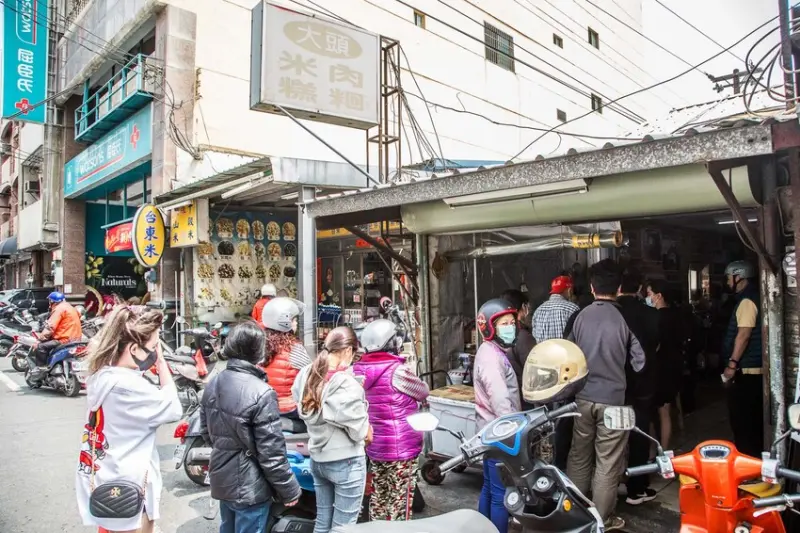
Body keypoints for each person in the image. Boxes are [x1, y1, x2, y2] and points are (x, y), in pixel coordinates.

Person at [75, 306, 183, 533]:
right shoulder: (128, 387)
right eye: (154, 347)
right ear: (133, 348)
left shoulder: (101, 375)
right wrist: (162, 365)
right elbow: (173, 408)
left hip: (107, 476)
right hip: (130, 485)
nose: (155, 353)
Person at [566, 259, 645, 530]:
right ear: (619, 287)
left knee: (579, 455)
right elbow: (640, 362)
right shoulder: (627, 317)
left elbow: (567, 356)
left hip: (583, 397)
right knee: (608, 462)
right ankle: (602, 520)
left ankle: (574, 511)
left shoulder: (579, 315)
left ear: (591, 286)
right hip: (616, 401)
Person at [200, 321, 301, 533]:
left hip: (223, 478)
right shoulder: (262, 392)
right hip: (250, 486)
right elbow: (271, 454)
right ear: (257, 351)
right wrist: (289, 490)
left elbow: (206, 433)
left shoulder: (213, 383)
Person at [292, 327, 371, 533]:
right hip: (346, 462)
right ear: (347, 351)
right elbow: (360, 431)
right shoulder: (345, 383)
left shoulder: (306, 374)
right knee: (343, 528)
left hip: (318, 459)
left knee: (322, 523)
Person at [353, 319, 430, 521]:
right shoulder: (398, 371)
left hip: (375, 446)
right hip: (401, 448)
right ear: (392, 342)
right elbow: (423, 391)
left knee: (379, 497)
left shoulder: (358, 370)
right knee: (399, 501)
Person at [473, 298, 521, 533]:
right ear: (489, 326)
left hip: (490, 432)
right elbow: (501, 401)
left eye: (512, 322)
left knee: (490, 488)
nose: (510, 327)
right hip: (500, 433)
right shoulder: (491, 356)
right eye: (504, 323)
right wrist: (515, 432)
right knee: (502, 495)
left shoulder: (491, 351)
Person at [617, 267, 660, 505]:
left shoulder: (612, 313)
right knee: (639, 434)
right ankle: (637, 487)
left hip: (613, 384)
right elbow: (654, 347)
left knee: (611, 437)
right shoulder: (650, 314)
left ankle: (612, 484)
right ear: (640, 290)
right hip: (642, 383)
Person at [722, 260, 763, 457]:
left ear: (738, 277)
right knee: (751, 422)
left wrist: (732, 364)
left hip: (747, 371)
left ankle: (749, 465)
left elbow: (743, 334)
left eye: (728, 277)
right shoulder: (753, 296)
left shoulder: (747, 301)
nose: (727, 281)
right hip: (752, 370)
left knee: (744, 423)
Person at [646, 279, 686, 451]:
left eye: (649, 294)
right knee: (666, 412)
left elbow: (655, 345)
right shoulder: (677, 315)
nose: (648, 298)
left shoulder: (656, 318)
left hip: (659, 368)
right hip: (674, 366)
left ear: (658, 296)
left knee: (654, 412)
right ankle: (665, 450)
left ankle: (654, 450)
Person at [262, 297, 312, 416]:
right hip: (288, 408)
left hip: (263, 406)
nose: (295, 323)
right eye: (294, 320)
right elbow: (312, 373)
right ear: (285, 322)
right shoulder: (293, 348)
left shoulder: (258, 345)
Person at [33, 291, 83, 376]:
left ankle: (41, 370)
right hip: (76, 339)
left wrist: (40, 339)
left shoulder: (58, 309)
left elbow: (50, 327)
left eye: (50, 301)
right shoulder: (71, 307)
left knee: (40, 347)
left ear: (53, 301)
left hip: (64, 340)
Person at [500, 289, 536, 399]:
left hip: (505, 393)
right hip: (521, 397)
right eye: (526, 306)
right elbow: (532, 370)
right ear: (522, 308)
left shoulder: (498, 333)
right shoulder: (523, 336)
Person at [533, 275, 580, 343]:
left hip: (543, 353)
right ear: (569, 290)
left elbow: (535, 336)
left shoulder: (538, 311)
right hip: (566, 353)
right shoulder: (573, 309)